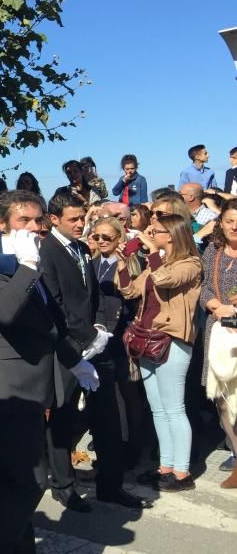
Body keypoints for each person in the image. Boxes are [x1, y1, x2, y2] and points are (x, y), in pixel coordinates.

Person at [0, 191, 95, 553]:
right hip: (6, 388)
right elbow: (5, 311)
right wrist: (26, 265)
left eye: (39, 220)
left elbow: (50, 324)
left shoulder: (29, 264)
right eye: (24, 220)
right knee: (29, 481)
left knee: (15, 481)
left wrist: (75, 360)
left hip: (30, 388)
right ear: (1, 224)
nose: (35, 228)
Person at [39, 192, 144, 510]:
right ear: (54, 220)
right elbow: (55, 306)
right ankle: (63, 485)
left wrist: (99, 329)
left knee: (108, 416)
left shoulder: (82, 249)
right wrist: (85, 337)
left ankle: (110, 484)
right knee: (63, 418)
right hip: (68, 350)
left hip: (97, 345)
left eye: (82, 217)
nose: (80, 224)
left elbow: (94, 296)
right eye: (73, 219)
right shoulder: (47, 253)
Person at [117, 213, 202, 492]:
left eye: (156, 231)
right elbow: (130, 291)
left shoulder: (190, 264)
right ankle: (165, 467)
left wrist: (152, 253)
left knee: (175, 408)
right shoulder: (159, 261)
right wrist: (122, 264)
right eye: (150, 231)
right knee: (158, 408)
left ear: (173, 235)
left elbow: (166, 281)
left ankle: (182, 473)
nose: (150, 234)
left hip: (172, 339)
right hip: (147, 338)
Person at [89, 217, 149, 469]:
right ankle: (112, 441)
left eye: (107, 237)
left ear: (119, 239)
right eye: (96, 236)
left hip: (123, 333)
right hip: (98, 335)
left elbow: (135, 297)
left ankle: (135, 444)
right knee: (106, 392)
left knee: (129, 392)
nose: (101, 241)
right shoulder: (91, 263)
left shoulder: (133, 264)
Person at [198, 199, 237, 488]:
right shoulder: (213, 250)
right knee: (222, 400)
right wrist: (213, 304)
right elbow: (204, 286)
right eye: (229, 220)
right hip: (217, 330)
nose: (235, 226)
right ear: (220, 223)